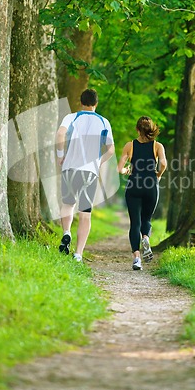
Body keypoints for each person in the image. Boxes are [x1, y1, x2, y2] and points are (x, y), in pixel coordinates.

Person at [56, 89, 115, 262]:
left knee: (67, 204)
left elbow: (60, 134)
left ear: (80, 102)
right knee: (85, 213)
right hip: (90, 171)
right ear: (96, 104)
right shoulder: (104, 122)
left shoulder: (72, 117)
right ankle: (78, 254)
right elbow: (111, 150)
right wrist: (98, 162)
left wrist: (61, 156)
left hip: (69, 168)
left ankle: (66, 233)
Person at [117, 116, 167, 270]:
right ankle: (145, 237)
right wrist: (158, 175)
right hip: (151, 185)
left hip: (134, 185)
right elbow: (163, 163)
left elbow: (120, 169)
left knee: (135, 223)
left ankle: (137, 259)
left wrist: (127, 171)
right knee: (147, 218)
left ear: (137, 129)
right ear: (151, 129)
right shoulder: (157, 146)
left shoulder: (130, 145)